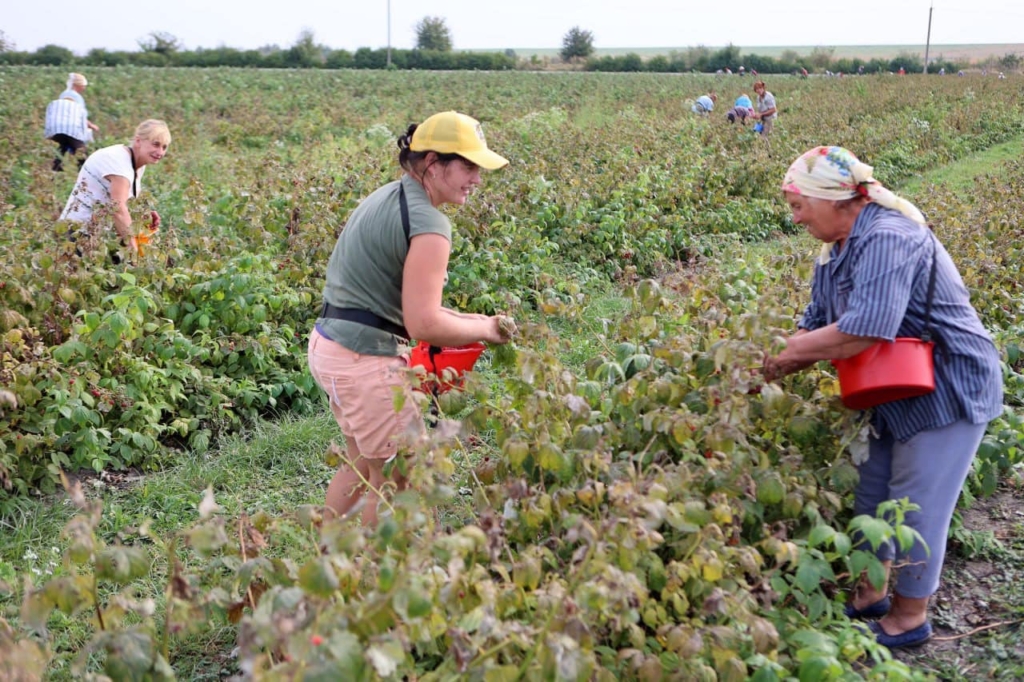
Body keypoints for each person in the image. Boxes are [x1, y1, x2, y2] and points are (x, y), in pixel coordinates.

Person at [763, 146, 1002, 649]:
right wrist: (762, 367)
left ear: (834, 199)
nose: (796, 216)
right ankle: (870, 596)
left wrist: (778, 354)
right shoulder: (835, 250)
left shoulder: (890, 235)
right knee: (873, 495)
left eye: (799, 203)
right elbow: (815, 325)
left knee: (917, 509)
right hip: (888, 386)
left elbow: (866, 330)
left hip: (947, 386)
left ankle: (910, 618)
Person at [307, 111, 515, 527]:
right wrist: (487, 329)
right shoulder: (430, 224)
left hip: (330, 347)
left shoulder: (389, 196)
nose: (477, 179)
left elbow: (409, 307)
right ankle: (382, 580)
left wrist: (468, 318)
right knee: (401, 483)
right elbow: (423, 324)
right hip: (363, 360)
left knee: (363, 467)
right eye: (469, 166)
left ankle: (327, 556)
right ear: (434, 163)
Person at [60, 119, 170, 254]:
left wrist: (144, 214)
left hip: (96, 233)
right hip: (77, 231)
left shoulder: (137, 164)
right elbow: (118, 208)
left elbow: (125, 201)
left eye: (164, 147)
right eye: (156, 144)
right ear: (138, 141)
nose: (160, 152)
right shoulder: (119, 163)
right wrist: (134, 252)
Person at [44, 73, 100, 171]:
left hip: (56, 127)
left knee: (61, 148)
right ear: (77, 85)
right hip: (71, 128)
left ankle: (55, 172)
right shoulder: (76, 97)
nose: (84, 88)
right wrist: (90, 126)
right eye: (83, 86)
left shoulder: (63, 94)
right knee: (81, 152)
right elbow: (78, 115)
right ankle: (84, 174)